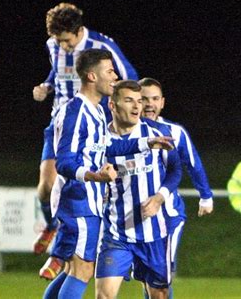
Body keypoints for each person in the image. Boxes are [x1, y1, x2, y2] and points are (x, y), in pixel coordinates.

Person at [42, 49, 172, 299]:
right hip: (77, 201)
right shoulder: (76, 112)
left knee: (73, 269)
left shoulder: (97, 111)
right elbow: (64, 163)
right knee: (82, 270)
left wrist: (146, 142)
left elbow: (108, 148)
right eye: (109, 71)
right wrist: (95, 176)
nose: (115, 76)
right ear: (92, 76)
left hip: (85, 201)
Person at [33, 2, 139, 279]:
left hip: (90, 127)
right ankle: (56, 229)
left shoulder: (101, 47)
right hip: (59, 122)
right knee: (45, 188)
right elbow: (58, 71)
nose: (62, 46)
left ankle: (75, 249)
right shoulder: (54, 45)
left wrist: (120, 110)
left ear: (78, 31)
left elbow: (129, 78)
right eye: (58, 41)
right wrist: (47, 86)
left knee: (89, 191)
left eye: (66, 41)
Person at [94, 80, 182, 299]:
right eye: (129, 100)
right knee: (104, 296)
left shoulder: (157, 132)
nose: (137, 107)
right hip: (117, 232)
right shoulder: (101, 139)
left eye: (139, 101)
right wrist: (99, 177)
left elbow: (175, 171)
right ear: (112, 106)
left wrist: (159, 198)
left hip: (154, 233)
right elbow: (91, 169)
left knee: (158, 295)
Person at [139, 78, 214, 281]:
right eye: (144, 99)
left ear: (162, 102)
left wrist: (206, 196)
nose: (149, 104)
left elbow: (193, 163)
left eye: (154, 99)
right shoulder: (124, 132)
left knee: (161, 277)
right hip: (136, 217)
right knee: (147, 278)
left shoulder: (175, 132)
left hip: (168, 215)